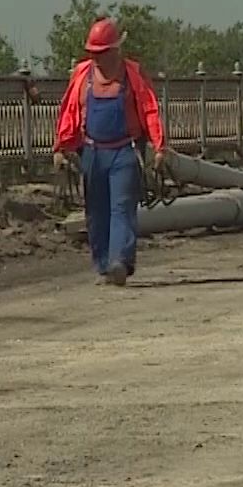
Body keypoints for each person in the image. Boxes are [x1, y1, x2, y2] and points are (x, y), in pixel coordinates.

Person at [52, 18, 167, 286]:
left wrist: (159, 147)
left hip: (124, 151)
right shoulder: (82, 76)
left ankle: (120, 261)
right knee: (97, 211)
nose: (97, 59)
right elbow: (70, 112)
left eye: (102, 53)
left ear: (116, 50)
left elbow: (150, 110)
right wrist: (61, 147)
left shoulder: (132, 75)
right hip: (92, 152)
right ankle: (103, 264)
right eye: (93, 53)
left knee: (121, 208)